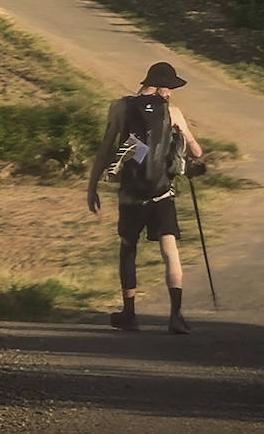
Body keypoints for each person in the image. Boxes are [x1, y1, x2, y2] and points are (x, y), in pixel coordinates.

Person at [87, 61, 203, 334]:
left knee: (128, 248)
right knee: (169, 250)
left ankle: (130, 314)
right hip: (161, 193)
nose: (172, 93)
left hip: (131, 195)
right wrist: (181, 145)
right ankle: (176, 315)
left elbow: (106, 150)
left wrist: (92, 186)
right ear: (162, 87)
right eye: (170, 88)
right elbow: (196, 151)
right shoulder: (173, 112)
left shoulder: (119, 107)